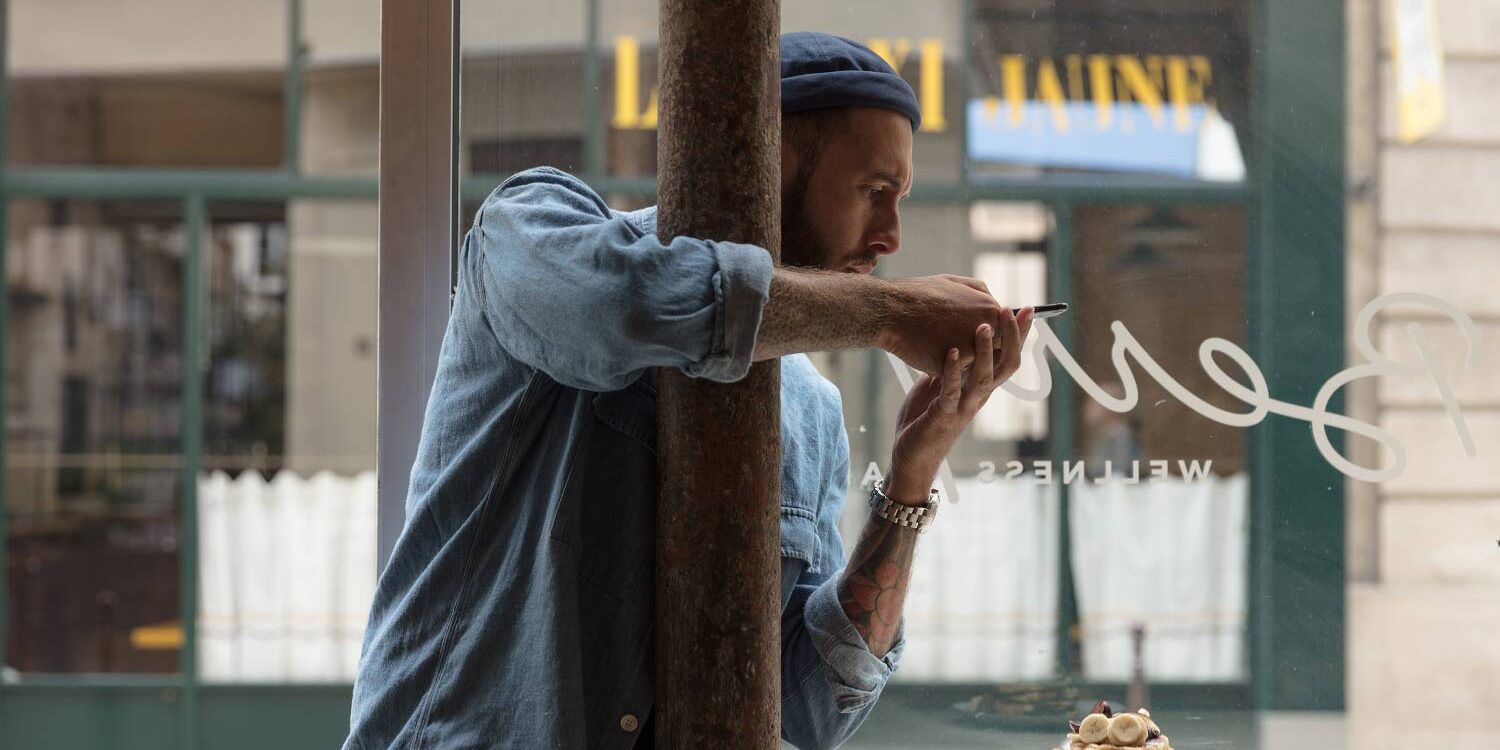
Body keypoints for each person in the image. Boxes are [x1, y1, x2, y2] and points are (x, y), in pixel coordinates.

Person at [345, 31, 1034, 750]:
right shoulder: (529, 230)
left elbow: (808, 711)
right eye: (875, 192)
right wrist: (891, 314)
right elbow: (624, 308)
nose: (891, 236)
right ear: (770, 161)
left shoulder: (811, 411)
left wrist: (911, 478)